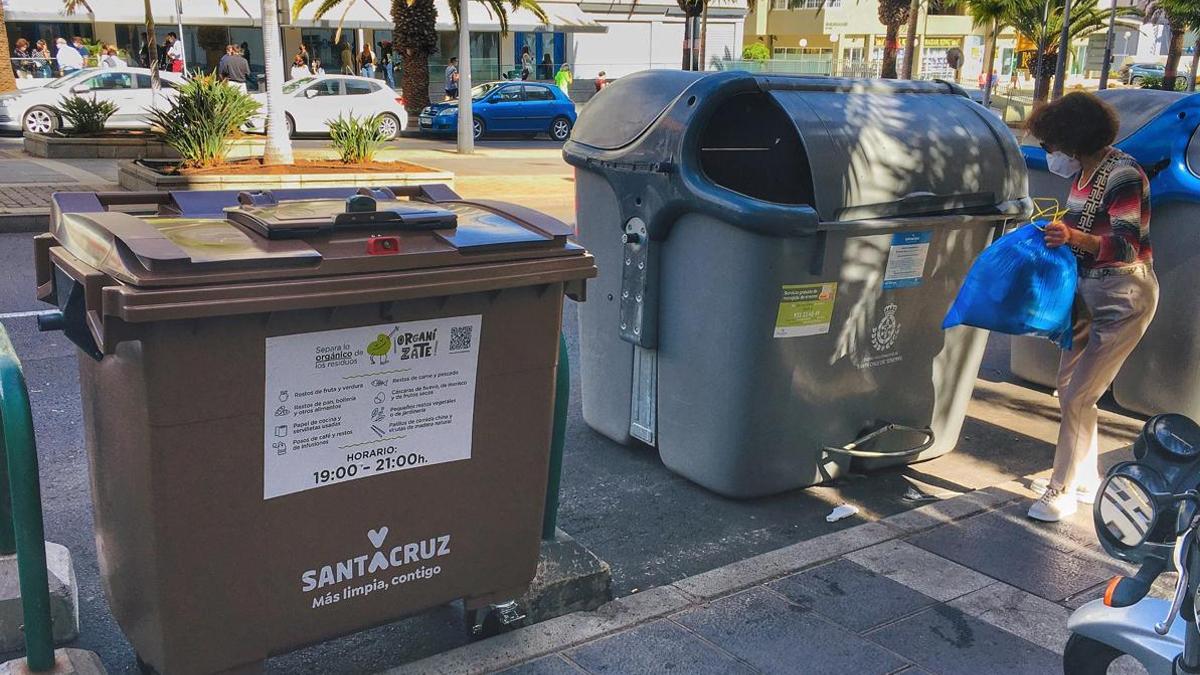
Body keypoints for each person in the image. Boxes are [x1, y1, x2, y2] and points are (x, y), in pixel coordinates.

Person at [1024, 92, 1158, 523]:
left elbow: (1125, 243)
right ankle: (1087, 476)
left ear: (1072, 139)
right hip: (1086, 292)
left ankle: (1059, 490)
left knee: (1080, 393)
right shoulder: (1087, 171)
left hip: (1122, 297)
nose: (1050, 155)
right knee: (1071, 391)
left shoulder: (1121, 175)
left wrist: (1073, 239)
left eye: (1051, 145)